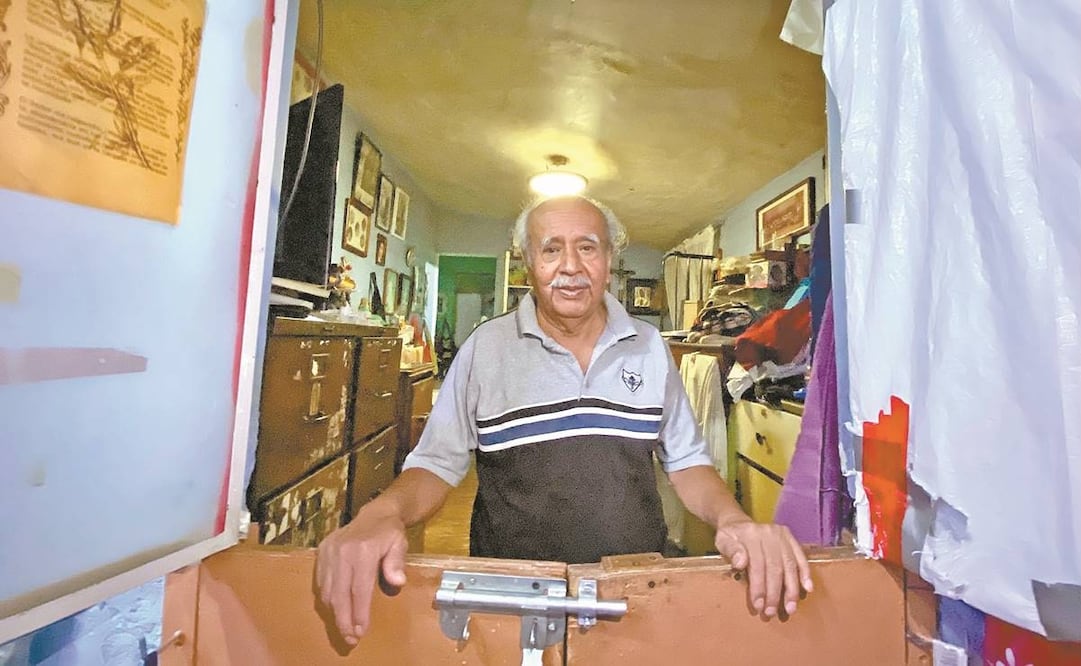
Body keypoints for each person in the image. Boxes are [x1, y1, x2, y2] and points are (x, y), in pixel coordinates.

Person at [316, 195, 813, 645]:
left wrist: (734, 521)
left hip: (630, 591)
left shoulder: (650, 349)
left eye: (588, 248)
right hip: (512, 597)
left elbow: (685, 462)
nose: (570, 267)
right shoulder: (485, 350)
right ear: (528, 261)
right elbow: (436, 463)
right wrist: (381, 515)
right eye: (551, 249)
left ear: (610, 261)